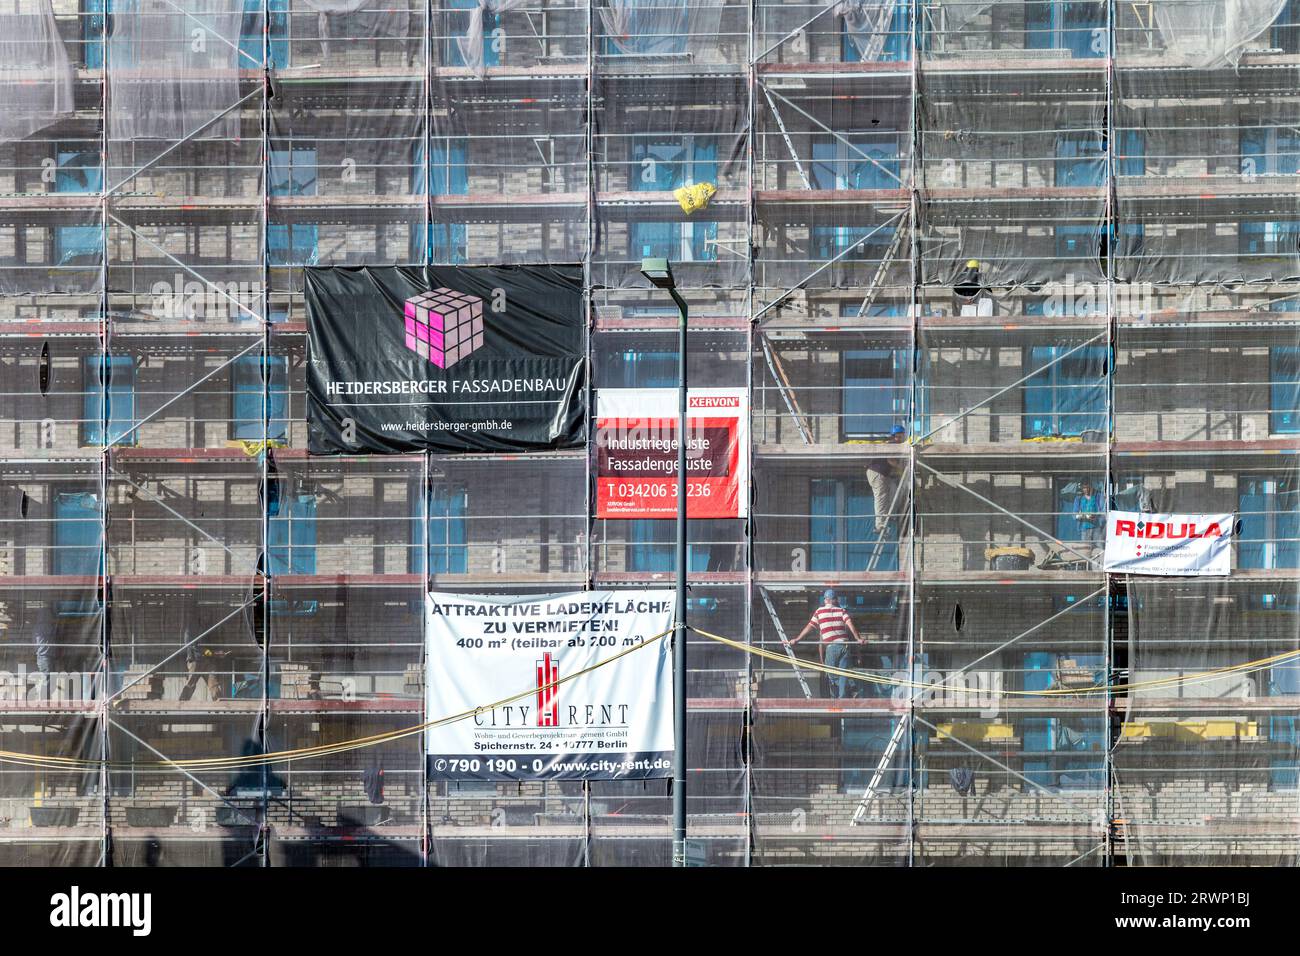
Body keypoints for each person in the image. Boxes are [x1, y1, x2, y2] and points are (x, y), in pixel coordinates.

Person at [789, 589, 867, 699]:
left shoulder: (819, 612)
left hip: (832, 647)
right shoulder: (842, 611)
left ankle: (849, 689)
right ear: (835, 600)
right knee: (843, 674)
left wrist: (797, 639)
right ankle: (845, 695)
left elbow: (809, 627)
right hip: (845, 646)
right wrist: (858, 639)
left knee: (832, 675)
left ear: (826, 600)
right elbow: (851, 625)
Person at [866, 424, 907, 537]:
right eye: (902, 435)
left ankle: (891, 514)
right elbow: (891, 461)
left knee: (893, 488)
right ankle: (880, 526)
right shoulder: (893, 444)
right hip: (877, 473)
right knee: (881, 497)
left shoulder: (893, 444)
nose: (903, 438)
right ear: (897, 436)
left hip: (881, 474)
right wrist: (903, 468)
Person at [1073, 479, 1105, 554]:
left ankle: (1099, 565)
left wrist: (1096, 516)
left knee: (1100, 549)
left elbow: (1103, 511)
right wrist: (1083, 516)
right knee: (1085, 550)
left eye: (1088, 487)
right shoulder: (1079, 498)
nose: (1086, 489)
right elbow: (1074, 514)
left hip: (1097, 527)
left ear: (1092, 487)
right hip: (1084, 528)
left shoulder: (1098, 496)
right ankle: (1087, 565)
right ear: (1082, 488)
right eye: (1084, 488)